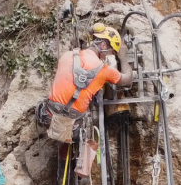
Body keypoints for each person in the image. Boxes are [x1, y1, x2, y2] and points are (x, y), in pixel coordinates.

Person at [39, 23, 134, 176]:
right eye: (109, 51)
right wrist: (122, 57)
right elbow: (127, 79)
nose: (107, 55)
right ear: (102, 44)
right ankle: (78, 171)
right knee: (84, 128)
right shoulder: (104, 71)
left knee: (64, 124)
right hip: (73, 127)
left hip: (47, 116)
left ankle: (62, 169)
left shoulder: (67, 55)